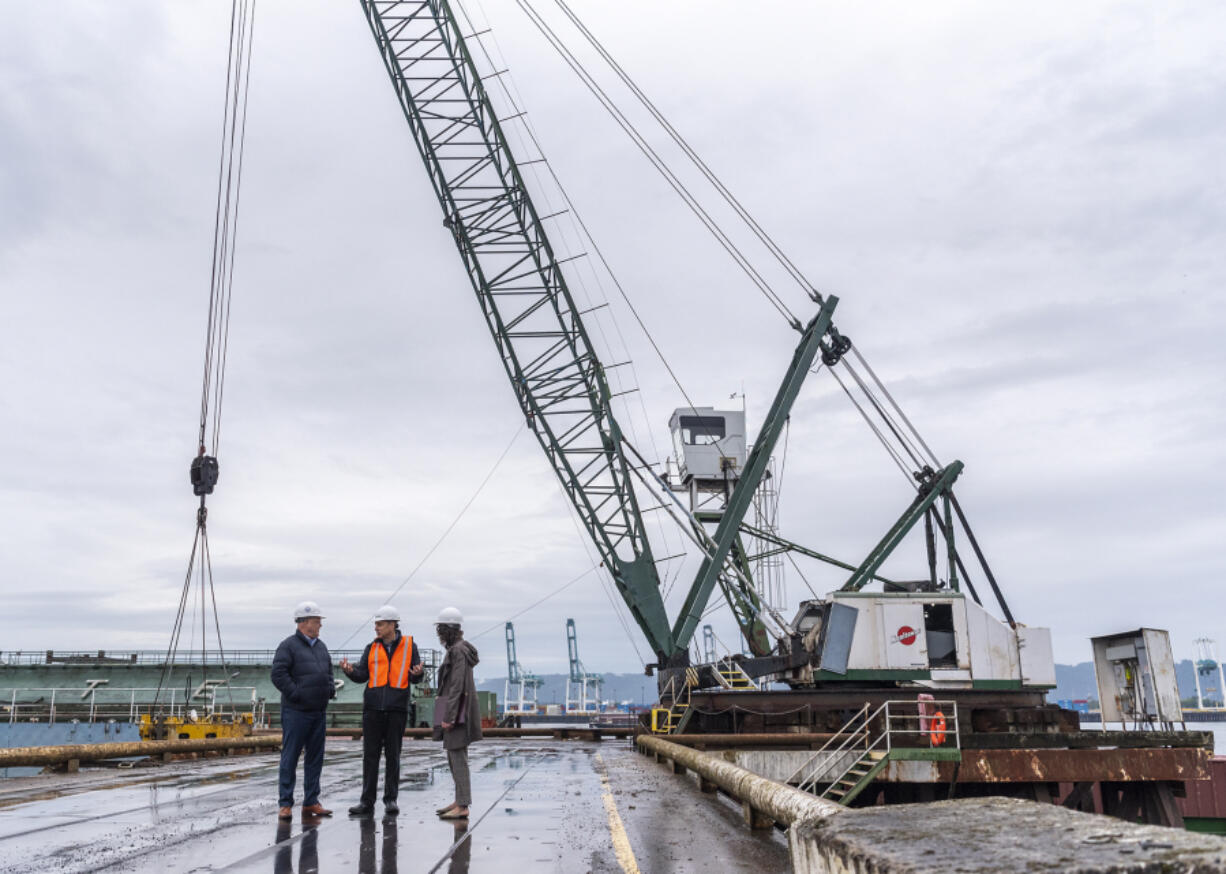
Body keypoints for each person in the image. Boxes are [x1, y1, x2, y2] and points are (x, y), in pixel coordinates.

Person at [340, 604, 424, 816]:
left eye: (380, 624)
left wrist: (417, 674)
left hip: (396, 708)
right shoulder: (371, 648)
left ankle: (390, 800)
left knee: (393, 755)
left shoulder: (409, 646)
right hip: (373, 709)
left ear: (392, 624)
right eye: (375, 624)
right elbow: (362, 675)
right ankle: (367, 801)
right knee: (370, 756)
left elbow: (415, 675)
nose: (376, 628)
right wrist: (350, 672)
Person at [271, 600, 336, 820]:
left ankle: (311, 801)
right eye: (317, 621)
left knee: (315, 758)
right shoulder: (288, 646)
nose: (320, 625)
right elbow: (278, 674)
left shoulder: (321, 646)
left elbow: (328, 671)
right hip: (296, 712)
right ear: (304, 623)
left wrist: (329, 689)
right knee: (290, 756)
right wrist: (296, 693)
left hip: (318, 711)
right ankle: (285, 803)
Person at [433, 606, 482, 820]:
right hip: (456, 707)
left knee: (457, 757)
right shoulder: (458, 649)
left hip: (456, 710)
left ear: (447, 631)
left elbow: (456, 685)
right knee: (454, 756)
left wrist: (449, 716)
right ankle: (459, 800)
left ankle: (463, 805)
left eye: (440, 630)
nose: (439, 635)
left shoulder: (458, 651)